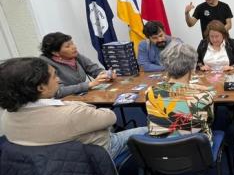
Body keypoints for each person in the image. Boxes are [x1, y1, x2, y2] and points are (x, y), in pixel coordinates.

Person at [0, 57, 147, 160]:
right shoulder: (71, 113)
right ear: (40, 87)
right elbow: (111, 117)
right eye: (53, 76)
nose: (58, 79)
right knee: (146, 130)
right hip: (97, 155)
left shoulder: (6, 117)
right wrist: (77, 105)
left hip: (51, 165)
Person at [146, 42, 215, 144]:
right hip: (196, 151)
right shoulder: (205, 95)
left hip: (161, 150)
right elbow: (210, 121)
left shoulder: (150, 91)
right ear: (192, 69)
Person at [40, 32, 115, 98]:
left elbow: (94, 69)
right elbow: (57, 91)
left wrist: (107, 74)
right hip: (63, 103)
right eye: (67, 46)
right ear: (55, 53)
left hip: (82, 97)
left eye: (72, 43)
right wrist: (89, 84)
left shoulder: (75, 55)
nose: (74, 47)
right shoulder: (45, 65)